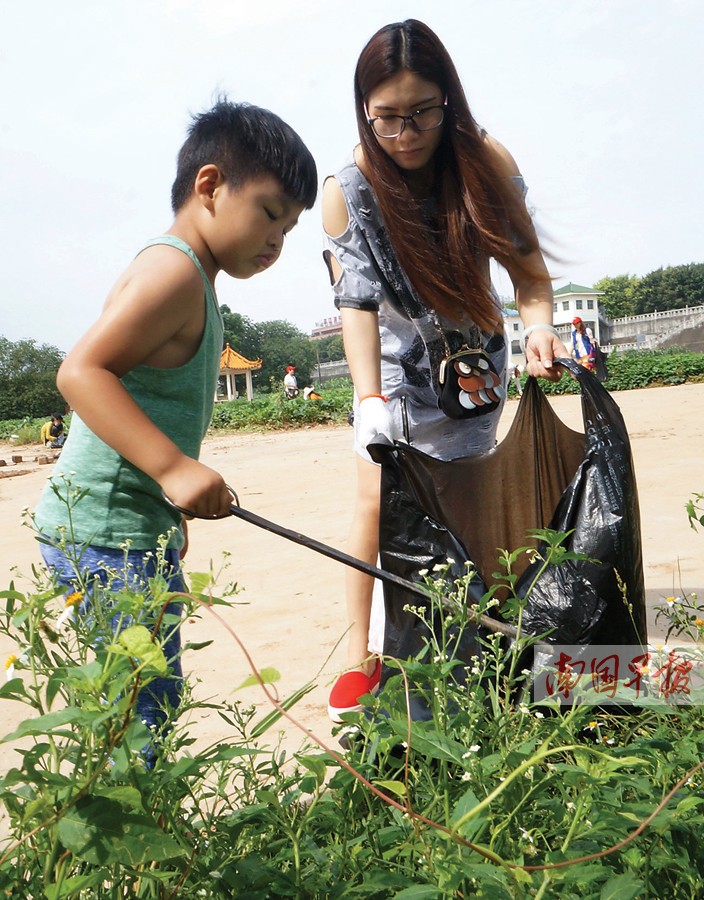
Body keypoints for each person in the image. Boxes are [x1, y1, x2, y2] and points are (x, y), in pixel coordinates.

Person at [33, 99, 317, 752]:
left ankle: (126, 844)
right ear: (210, 186)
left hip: (133, 524)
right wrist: (172, 468)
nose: (277, 240)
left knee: (138, 698)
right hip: (104, 532)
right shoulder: (174, 273)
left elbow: (145, 397)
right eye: (271, 213)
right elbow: (80, 373)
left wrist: (170, 504)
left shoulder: (193, 280)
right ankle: (130, 852)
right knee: (141, 707)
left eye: (291, 229)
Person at [322, 19, 563, 721]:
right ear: (365, 110)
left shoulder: (485, 161)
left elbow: (531, 278)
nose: (406, 133)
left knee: (469, 501)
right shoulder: (350, 187)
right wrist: (367, 396)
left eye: (423, 112)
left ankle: (481, 640)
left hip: (472, 368)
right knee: (376, 500)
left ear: (448, 100)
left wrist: (539, 331)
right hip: (393, 369)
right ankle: (359, 657)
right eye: (388, 117)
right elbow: (358, 302)